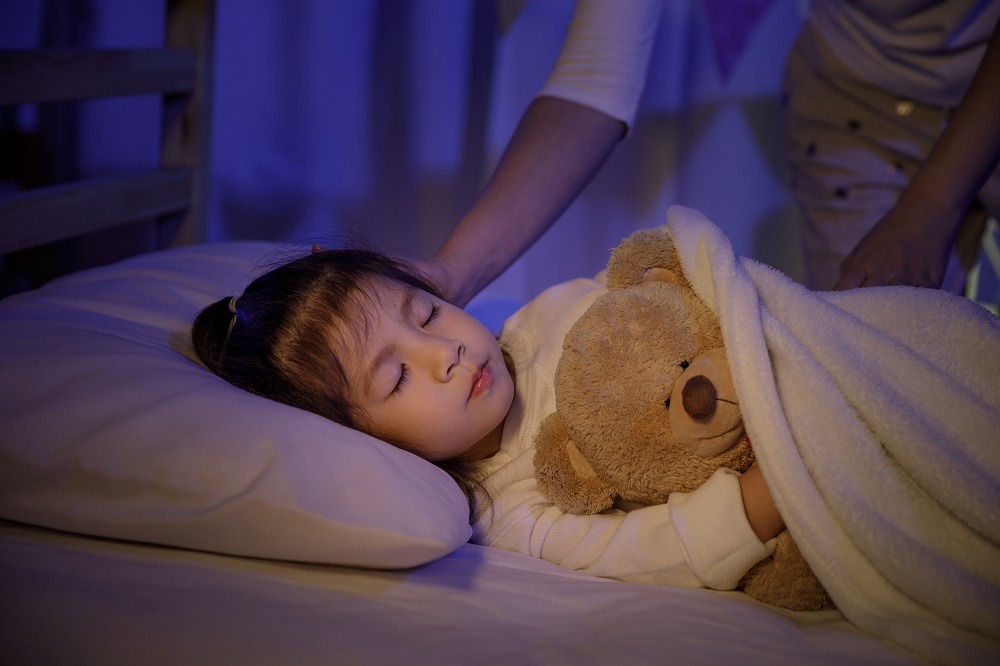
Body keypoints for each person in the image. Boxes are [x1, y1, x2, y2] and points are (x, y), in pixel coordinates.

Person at [192, 245, 782, 588]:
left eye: (425, 314)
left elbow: (665, 305)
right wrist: (767, 494)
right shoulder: (508, 509)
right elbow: (635, 551)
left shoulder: (549, 314)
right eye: (397, 378)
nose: (442, 352)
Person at [420, 0, 1000, 304]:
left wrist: (930, 207)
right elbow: (596, 76)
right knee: (877, 388)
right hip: (854, 91)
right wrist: (448, 273)